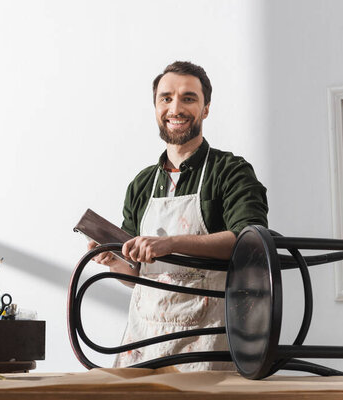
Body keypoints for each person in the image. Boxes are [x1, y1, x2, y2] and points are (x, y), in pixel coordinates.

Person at [89, 61, 268, 371]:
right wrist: (114, 261)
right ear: (156, 106)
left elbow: (250, 242)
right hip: (143, 341)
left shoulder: (231, 172)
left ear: (206, 108)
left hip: (206, 342)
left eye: (188, 98)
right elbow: (138, 276)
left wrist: (170, 243)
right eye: (166, 97)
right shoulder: (142, 184)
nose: (176, 107)